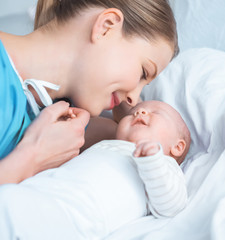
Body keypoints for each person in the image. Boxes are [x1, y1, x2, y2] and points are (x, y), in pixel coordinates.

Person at [0, 0, 178, 184]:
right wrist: (32, 157)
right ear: (106, 27)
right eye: (143, 73)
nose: (134, 98)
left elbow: (124, 139)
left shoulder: (61, 117)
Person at [0, 100, 191, 239]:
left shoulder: (165, 166)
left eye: (155, 113)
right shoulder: (105, 145)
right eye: (135, 111)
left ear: (177, 147)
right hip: (40, 191)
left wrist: (153, 163)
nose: (140, 113)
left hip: (76, 217)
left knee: (11, 211)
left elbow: (172, 205)